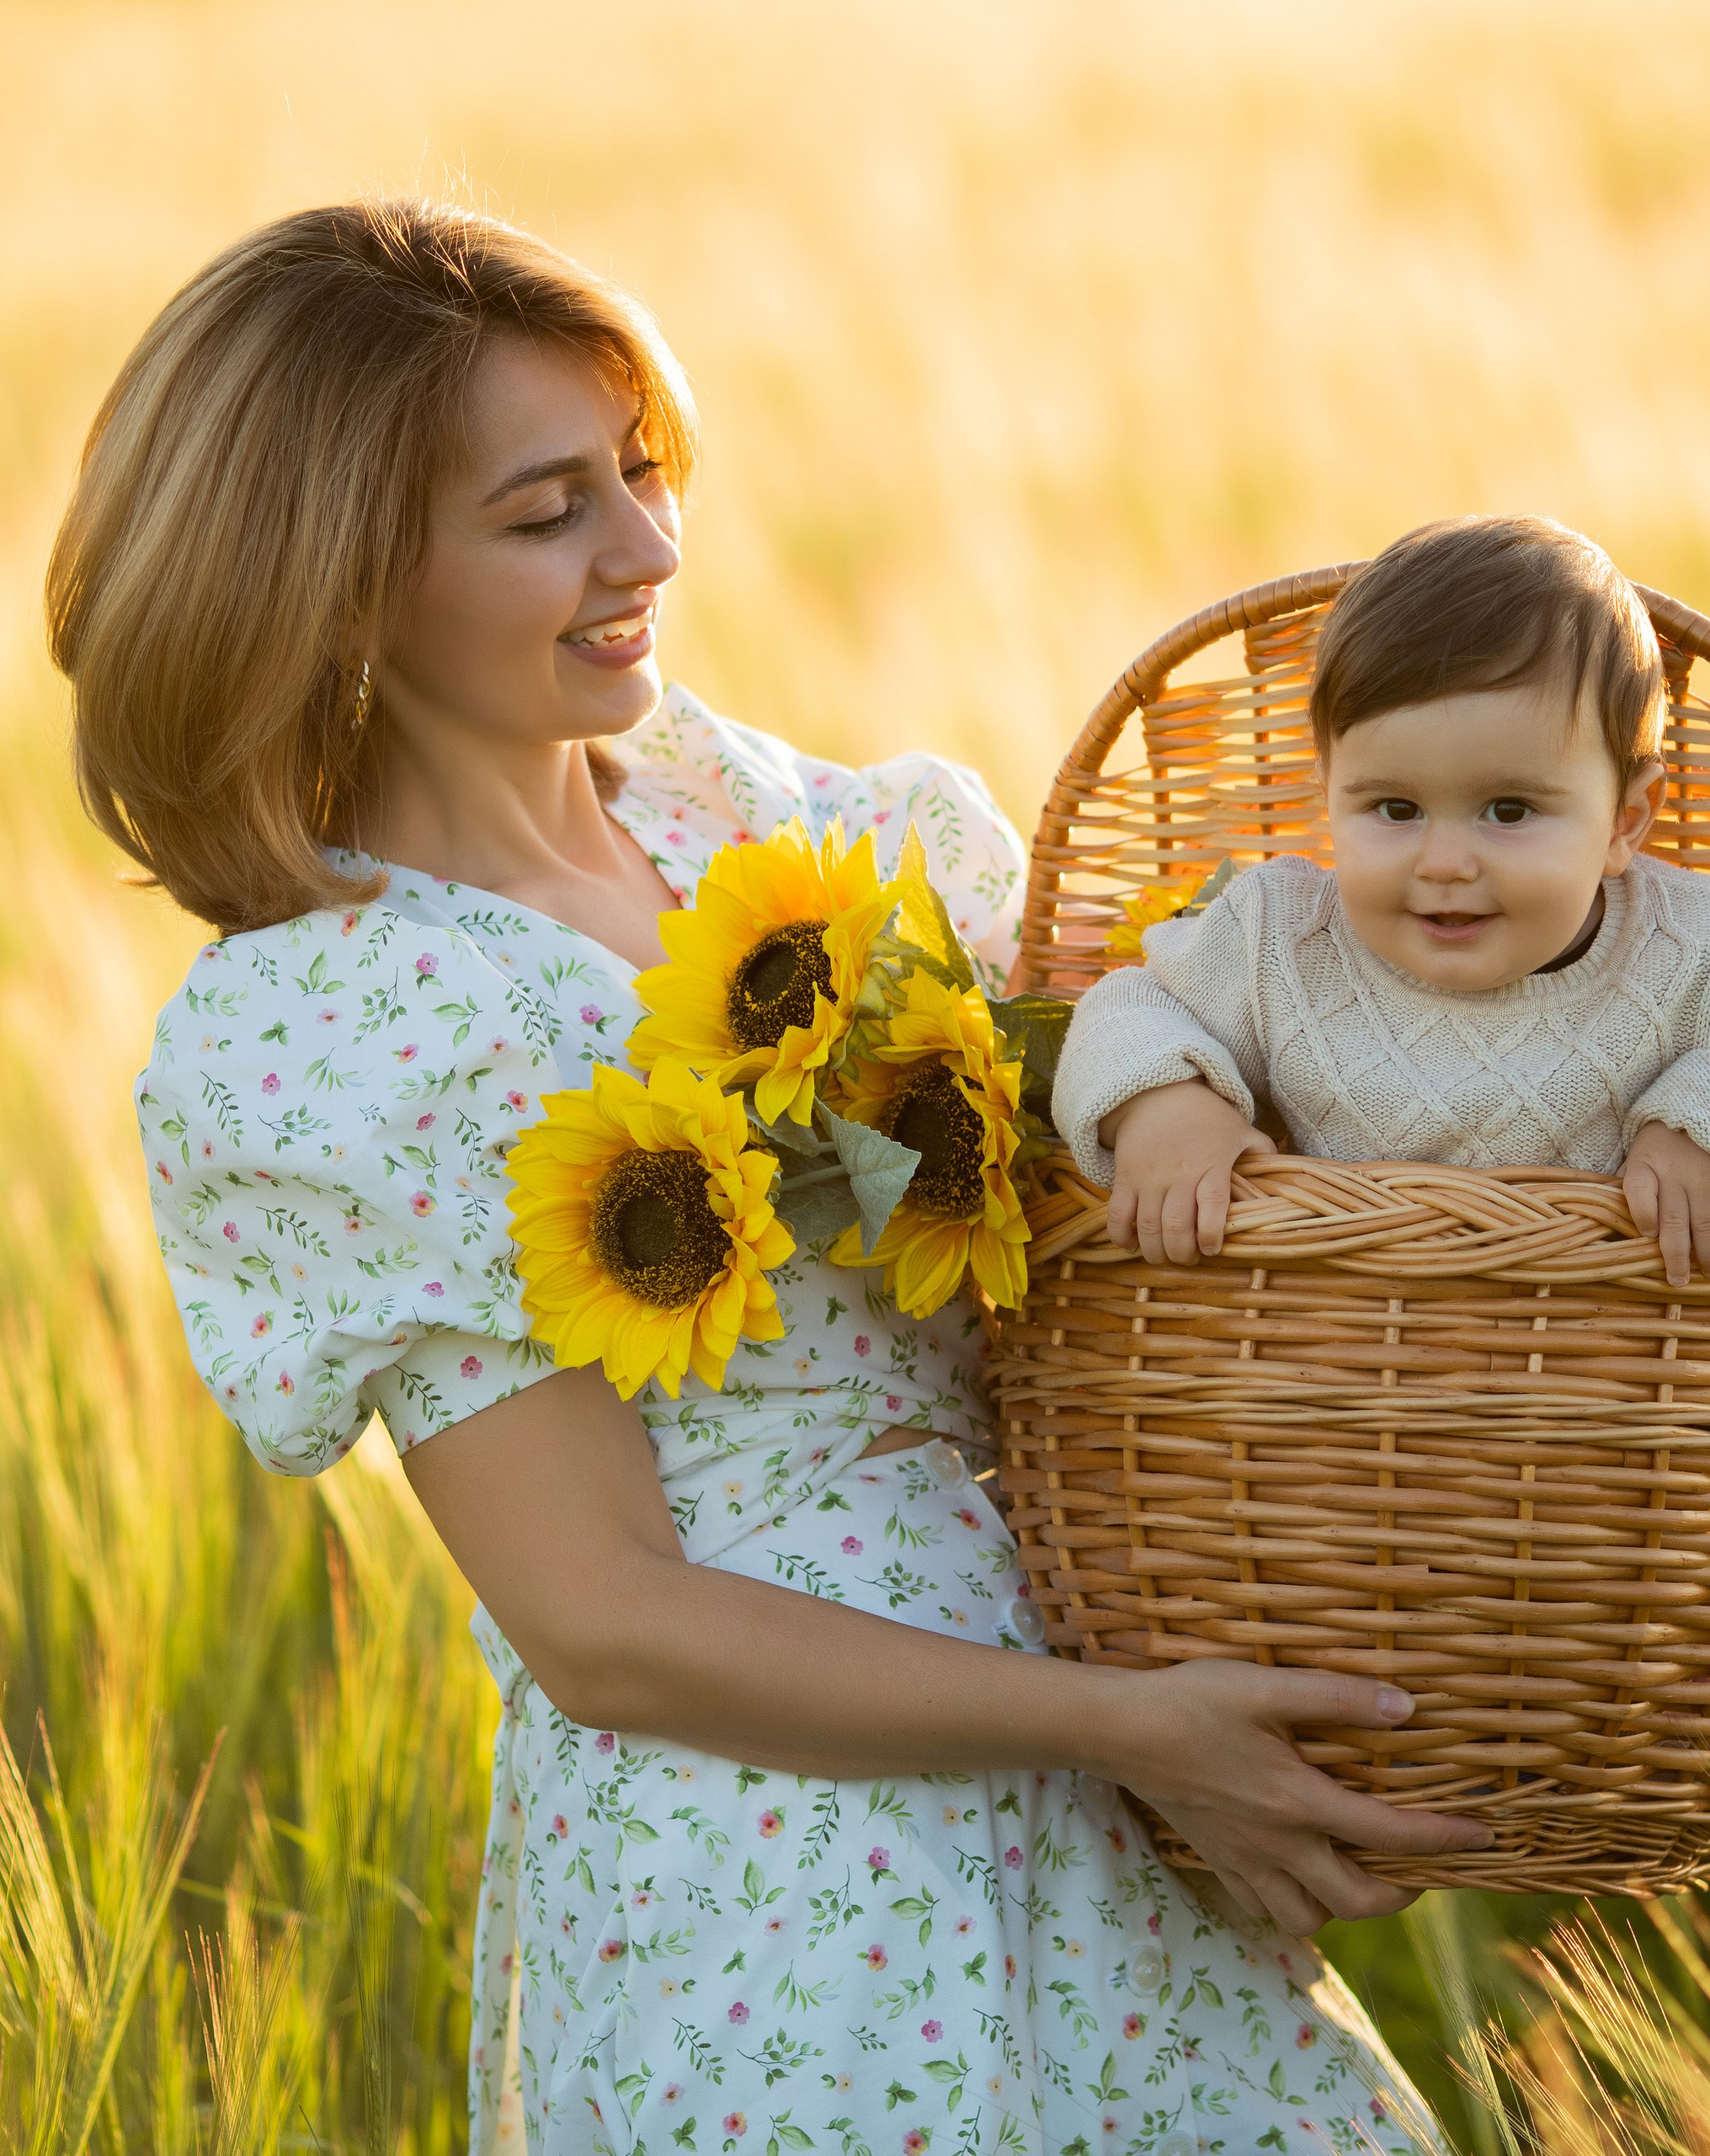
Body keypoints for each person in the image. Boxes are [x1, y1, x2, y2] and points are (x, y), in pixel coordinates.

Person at [59, 199, 1490, 2156]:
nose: (645, 548)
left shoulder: (793, 831)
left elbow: (1207, 1164)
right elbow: (606, 1621)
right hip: (776, 1903)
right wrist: (1119, 1726)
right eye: (546, 508)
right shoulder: (340, 1034)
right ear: (338, 588)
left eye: (642, 471)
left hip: (1103, 1801)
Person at [1058, 515, 1710, 1279]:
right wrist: (1160, 1105)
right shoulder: (1276, 938)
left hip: (1609, 1400)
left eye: (1508, 810)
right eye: (1394, 809)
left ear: (1626, 819)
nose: (1443, 861)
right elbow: (1124, 1005)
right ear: (1330, 793)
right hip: (1317, 1391)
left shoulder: (1690, 950)